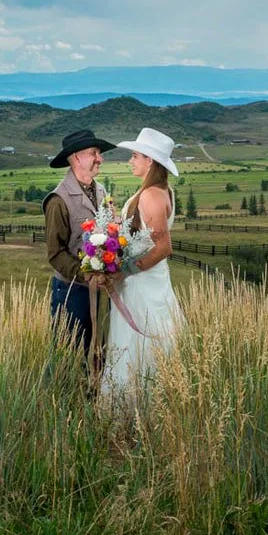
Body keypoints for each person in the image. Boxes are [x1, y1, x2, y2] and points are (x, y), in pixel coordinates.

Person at [102, 127, 185, 400]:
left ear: (150, 161)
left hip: (143, 283)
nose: (131, 161)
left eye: (135, 156)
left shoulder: (151, 195)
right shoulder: (162, 191)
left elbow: (163, 247)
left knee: (134, 342)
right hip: (150, 280)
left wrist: (127, 269)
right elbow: (144, 236)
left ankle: (132, 404)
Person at [43, 129, 116, 379]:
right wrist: (86, 274)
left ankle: (93, 401)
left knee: (99, 351)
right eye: (94, 153)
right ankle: (59, 405)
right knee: (67, 354)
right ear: (75, 158)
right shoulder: (58, 200)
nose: (100, 158)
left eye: (99, 153)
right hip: (71, 292)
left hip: (100, 290)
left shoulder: (102, 192)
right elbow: (55, 253)